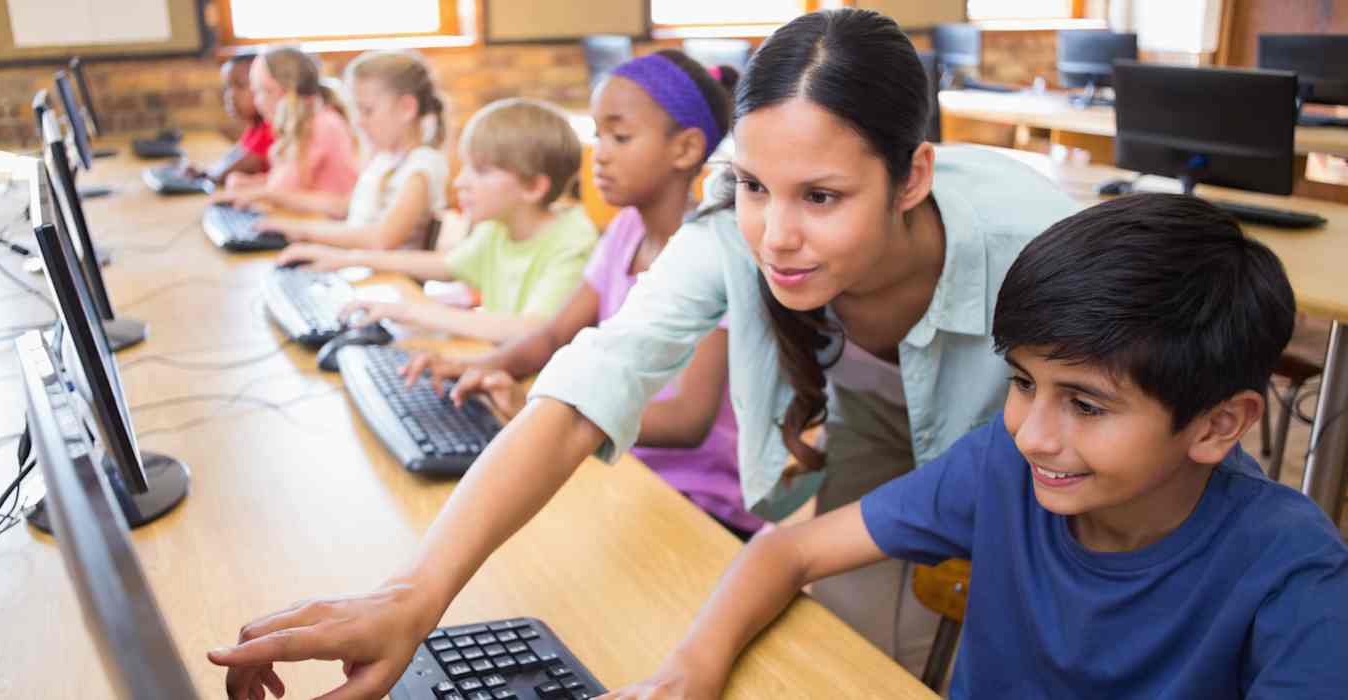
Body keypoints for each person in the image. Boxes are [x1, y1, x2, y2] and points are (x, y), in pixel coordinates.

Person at [208, 10, 1080, 698]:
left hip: (1043, 462)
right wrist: (414, 595)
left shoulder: (1032, 246)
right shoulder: (742, 235)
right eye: (754, 187)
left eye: (821, 196)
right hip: (875, 430)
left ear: (914, 177)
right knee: (854, 654)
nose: (776, 237)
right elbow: (589, 386)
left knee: (1021, 630)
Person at [605, 193, 1348, 699]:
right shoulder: (1001, 464)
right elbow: (786, 552)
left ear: (1219, 425)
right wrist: (691, 670)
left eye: (1086, 404)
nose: (1033, 432)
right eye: (1024, 383)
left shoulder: (1291, 567)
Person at [404, 50, 764, 538]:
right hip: (616, 461)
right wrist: (484, 369)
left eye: (620, 136)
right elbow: (554, 332)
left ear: (685, 149)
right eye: (597, 135)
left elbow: (687, 421)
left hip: (699, 499)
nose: (601, 154)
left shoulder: (713, 255)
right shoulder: (625, 231)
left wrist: (538, 403)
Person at [276, 98, 596, 344]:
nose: (460, 183)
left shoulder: (572, 240)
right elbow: (445, 264)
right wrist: (346, 258)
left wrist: (414, 311)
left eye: (480, 171)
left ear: (533, 187)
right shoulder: (499, 227)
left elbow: (531, 330)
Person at [253, 50, 450, 250]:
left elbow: (381, 239)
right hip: (361, 268)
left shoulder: (421, 167)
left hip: (386, 278)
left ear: (407, 108)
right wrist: (272, 201)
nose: (358, 122)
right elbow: (344, 207)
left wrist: (303, 231)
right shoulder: (384, 159)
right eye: (357, 111)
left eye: (367, 110)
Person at [214, 45, 359, 205]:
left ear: (278, 91)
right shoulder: (302, 123)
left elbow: (286, 191)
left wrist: (256, 193)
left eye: (259, 92)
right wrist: (251, 184)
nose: (257, 101)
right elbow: (290, 182)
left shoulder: (322, 125)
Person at [184, 53, 272, 186]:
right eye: (227, 87)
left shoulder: (271, 129)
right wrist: (205, 172)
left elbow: (229, 172)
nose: (230, 95)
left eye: (240, 86)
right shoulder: (255, 127)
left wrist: (206, 175)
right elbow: (232, 157)